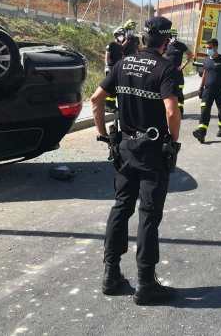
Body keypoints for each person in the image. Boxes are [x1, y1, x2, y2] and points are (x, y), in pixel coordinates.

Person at [90, 16, 181, 306]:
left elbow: (95, 99)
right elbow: (171, 110)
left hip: (125, 147)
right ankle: (145, 284)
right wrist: (173, 143)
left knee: (121, 207)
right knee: (149, 215)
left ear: (143, 38)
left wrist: (104, 136)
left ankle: (111, 274)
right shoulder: (166, 68)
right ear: (166, 41)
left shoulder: (122, 64)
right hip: (152, 150)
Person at [192, 38, 221, 143]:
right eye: (207, 48)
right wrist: (200, 88)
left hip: (220, 91)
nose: (208, 50)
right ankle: (201, 133)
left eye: (210, 48)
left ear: (215, 47)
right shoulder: (206, 60)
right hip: (208, 90)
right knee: (204, 111)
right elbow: (204, 74)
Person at [163, 28, 193, 116]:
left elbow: (190, 55)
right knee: (167, 91)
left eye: (175, 36)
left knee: (179, 92)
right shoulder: (166, 45)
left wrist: (183, 65)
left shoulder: (181, 45)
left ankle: (180, 111)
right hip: (168, 74)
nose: (174, 38)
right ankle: (167, 110)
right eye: (172, 36)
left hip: (178, 74)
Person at [104, 28, 126, 113]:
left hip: (117, 69)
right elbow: (107, 56)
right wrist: (108, 67)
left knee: (115, 89)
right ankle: (108, 106)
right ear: (116, 35)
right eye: (120, 35)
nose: (121, 37)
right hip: (111, 68)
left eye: (122, 35)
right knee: (110, 88)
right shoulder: (111, 44)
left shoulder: (120, 46)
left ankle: (112, 105)